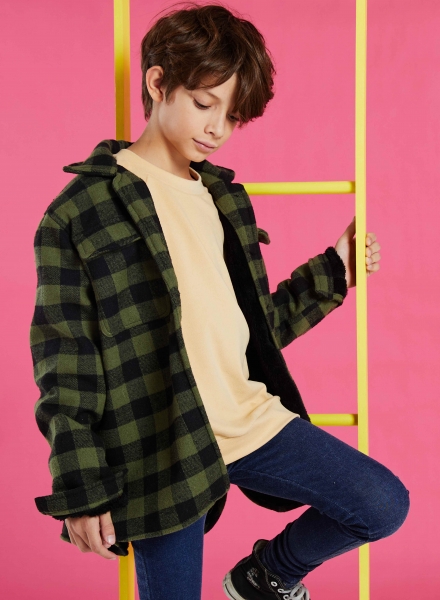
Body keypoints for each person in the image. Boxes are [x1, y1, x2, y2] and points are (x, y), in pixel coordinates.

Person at [30, 2, 409, 600]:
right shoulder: (80, 211)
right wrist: (81, 488)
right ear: (158, 83)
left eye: (231, 117)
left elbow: (253, 328)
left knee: (381, 502)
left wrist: (335, 269)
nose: (217, 129)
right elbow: (66, 362)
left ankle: (266, 575)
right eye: (205, 104)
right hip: (161, 443)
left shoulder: (225, 199)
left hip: (249, 420)